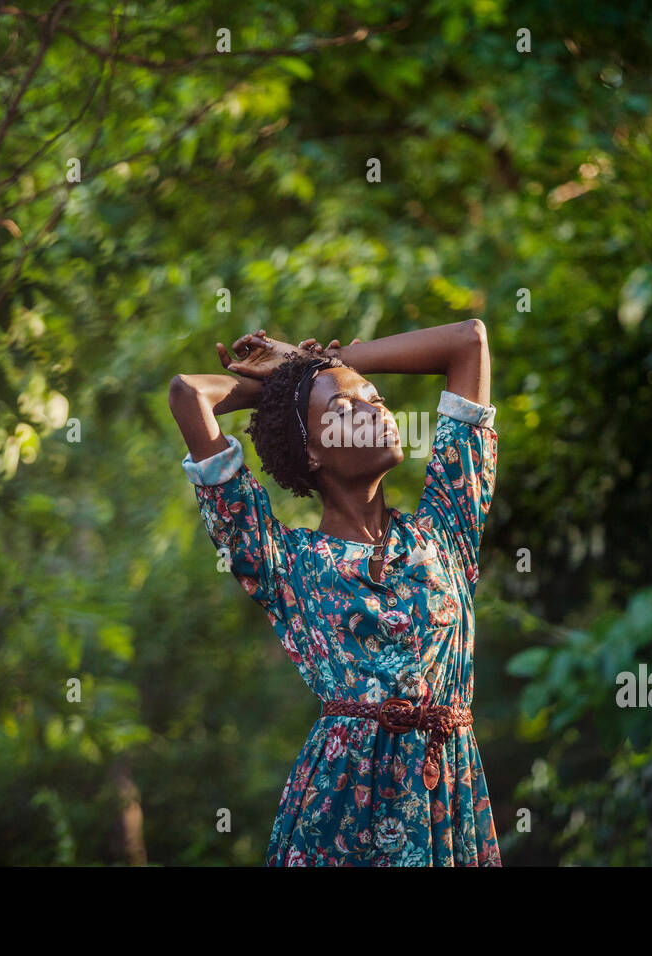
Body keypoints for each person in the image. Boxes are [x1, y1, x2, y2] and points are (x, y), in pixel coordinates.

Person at [168, 319, 501, 866]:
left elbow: (468, 341)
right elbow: (189, 393)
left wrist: (331, 368)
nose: (377, 411)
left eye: (377, 398)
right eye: (348, 410)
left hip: (447, 802)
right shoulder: (281, 561)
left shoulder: (448, 527)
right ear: (312, 451)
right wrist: (288, 388)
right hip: (338, 812)